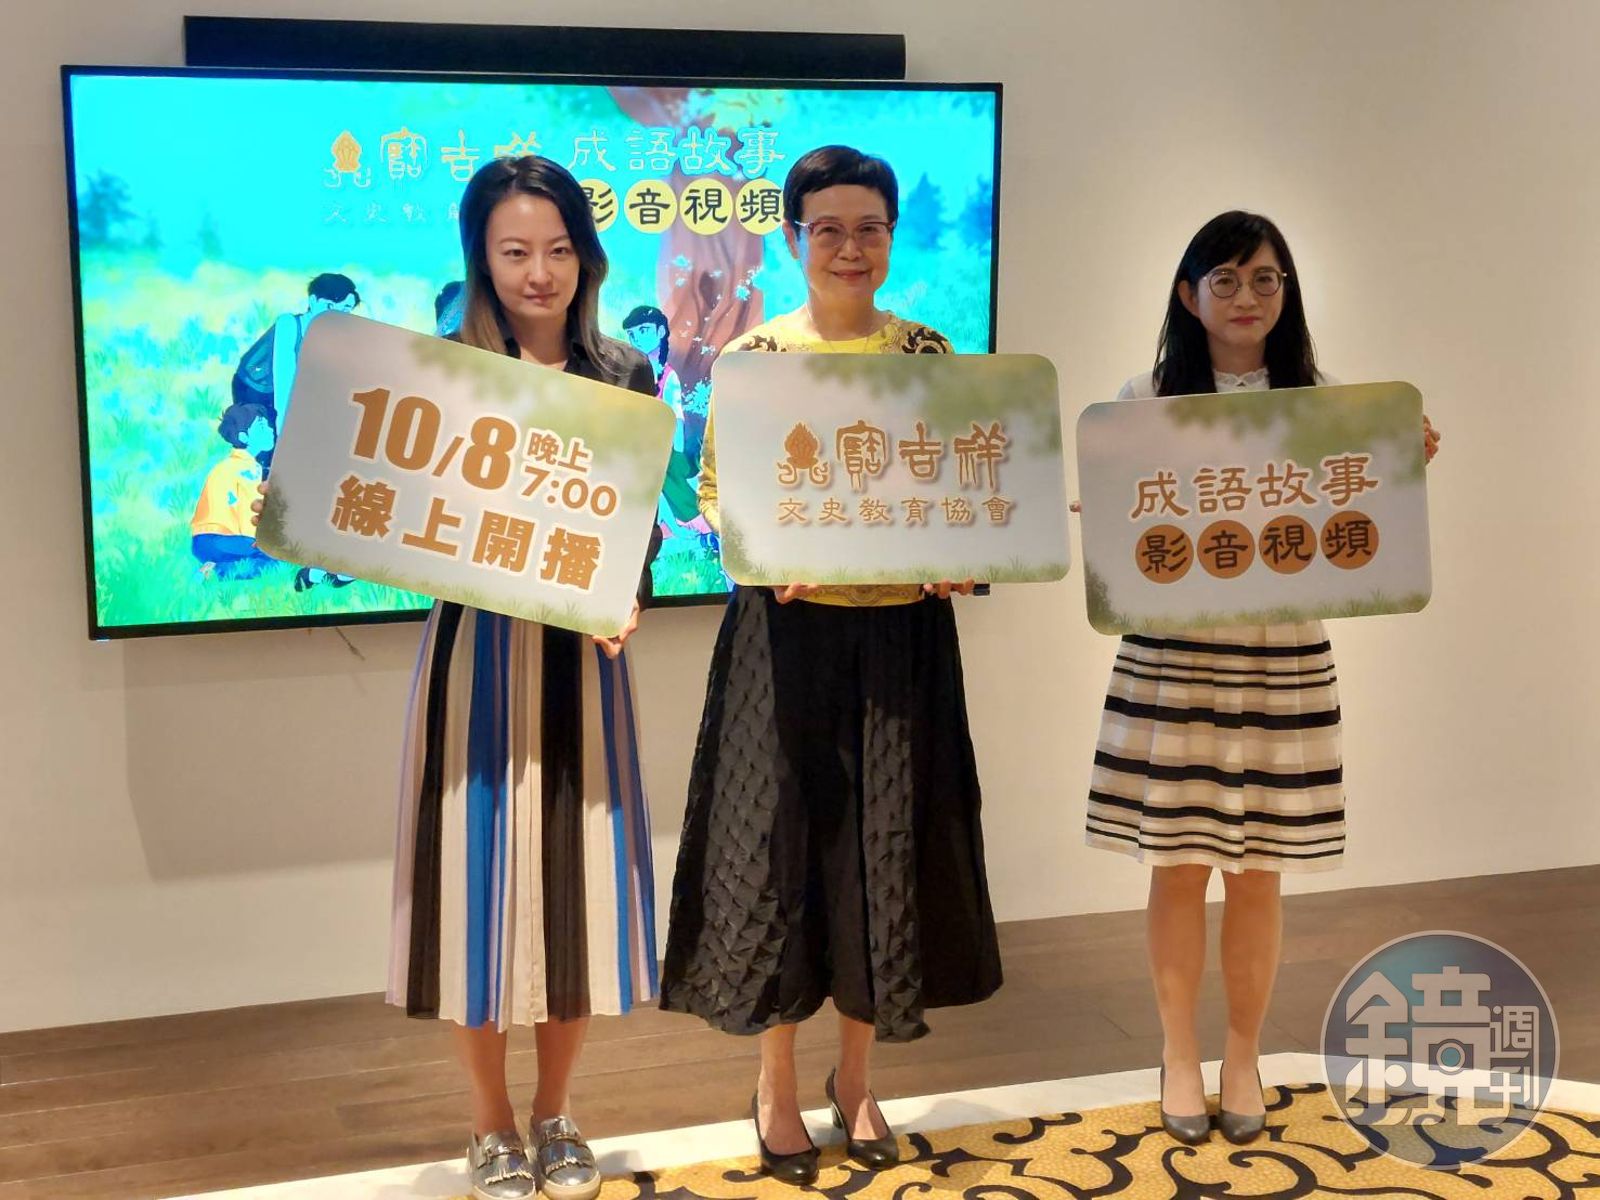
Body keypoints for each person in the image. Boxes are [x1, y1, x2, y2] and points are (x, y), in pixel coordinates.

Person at [659, 145, 1002, 1187]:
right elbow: (714, 492)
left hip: (901, 640)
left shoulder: (928, 352)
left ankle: (855, 1082)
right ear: (794, 238)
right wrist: (759, 553)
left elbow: (962, 489)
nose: (851, 248)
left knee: (880, 852)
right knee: (780, 855)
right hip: (786, 639)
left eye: (870, 229)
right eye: (829, 230)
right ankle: (773, 1085)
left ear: (891, 237)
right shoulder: (754, 356)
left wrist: (962, 558)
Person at [1080, 210, 1441, 1146]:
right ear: (1188, 293)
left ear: (1288, 293)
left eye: (1266, 279)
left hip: (1283, 657)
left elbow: (1358, 531)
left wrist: (1400, 458)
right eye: (1228, 279)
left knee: (1260, 872)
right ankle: (1179, 1055)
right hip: (1173, 656)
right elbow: (1123, 534)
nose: (1247, 297)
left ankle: (1242, 1055)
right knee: (1179, 865)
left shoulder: (1322, 402)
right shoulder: (1145, 399)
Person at [387, 157, 661, 1200]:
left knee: (576, 892)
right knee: (473, 894)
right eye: (513, 252)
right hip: (473, 658)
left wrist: (629, 596)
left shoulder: (624, 374)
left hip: (584, 662)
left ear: (585, 256)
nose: (537, 272)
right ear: (481, 259)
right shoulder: (442, 370)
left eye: (556, 249)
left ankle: (556, 1113)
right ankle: (490, 1123)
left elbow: (635, 527)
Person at [621, 304, 710, 543]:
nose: (637, 338)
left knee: (667, 476)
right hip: (640, 444)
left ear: (660, 332)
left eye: (644, 330)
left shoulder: (668, 377)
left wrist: (677, 452)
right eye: (632, 334)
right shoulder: (632, 373)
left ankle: (695, 526)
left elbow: (676, 416)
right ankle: (666, 525)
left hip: (666, 447)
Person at [231, 272, 361, 432]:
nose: (335, 315)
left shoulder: (328, 338)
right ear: (313, 301)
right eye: (329, 306)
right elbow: (284, 379)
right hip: (253, 389)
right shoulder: (289, 323)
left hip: (281, 392)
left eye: (345, 310)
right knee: (263, 438)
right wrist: (285, 429)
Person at [189, 402, 275, 580]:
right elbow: (247, 513)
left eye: (267, 424)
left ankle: (214, 569)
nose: (270, 429)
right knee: (274, 559)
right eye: (261, 426)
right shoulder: (246, 469)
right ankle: (214, 573)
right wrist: (260, 542)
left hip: (205, 541)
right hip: (221, 539)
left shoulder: (231, 464)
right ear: (244, 437)